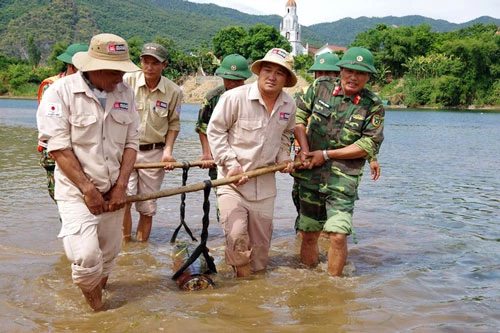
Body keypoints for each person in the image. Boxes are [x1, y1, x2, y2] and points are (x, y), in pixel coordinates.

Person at [36, 33, 140, 310]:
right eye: (114, 71)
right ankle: (96, 311)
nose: (120, 77)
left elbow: (131, 143)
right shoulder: (60, 92)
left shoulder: (125, 93)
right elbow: (57, 148)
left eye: (122, 70)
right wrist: (88, 190)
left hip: (113, 189)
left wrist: (120, 187)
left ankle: (99, 293)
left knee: (108, 254)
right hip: (76, 192)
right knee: (85, 255)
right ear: (93, 67)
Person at [293, 47, 385, 276]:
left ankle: (334, 287)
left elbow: (368, 144)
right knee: (309, 232)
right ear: (341, 70)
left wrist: (325, 154)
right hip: (309, 173)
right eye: (349, 70)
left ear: (368, 77)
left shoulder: (373, 104)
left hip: (343, 177)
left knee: (338, 234)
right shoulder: (319, 87)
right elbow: (297, 117)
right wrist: (304, 151)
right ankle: (308, 282)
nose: (353, 77)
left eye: (361, 73)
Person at [207, 48, 297, 278]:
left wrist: (284, 157)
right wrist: (231, 164)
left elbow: (286, 135)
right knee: (236, 235)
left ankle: (253, 287)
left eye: (280, 72)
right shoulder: (234, 98)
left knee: (260, 249)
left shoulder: (289, 105)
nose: (272, 76)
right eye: (267, 70)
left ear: (286, 79)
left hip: (265, 185)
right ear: (259, 72)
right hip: (232, 182)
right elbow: (215, 131)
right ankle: (242, 286)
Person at [122, 43, 182, 242]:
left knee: (147, 206)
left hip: (154, 153)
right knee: (123, 200)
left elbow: (173, 123)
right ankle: (126, 250)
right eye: (145, 62)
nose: (149, 67)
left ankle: (141, 246)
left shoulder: (173, 91)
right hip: (124, 150)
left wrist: (168, 152)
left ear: (164, 65)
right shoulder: (126, 82)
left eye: (154, 63)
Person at [37, 43, 89, 202]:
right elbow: (54, 127)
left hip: (83, 153)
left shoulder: (90, 87)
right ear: (71, 66)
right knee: (63, 200)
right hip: (56, 153)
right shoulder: (52, 87)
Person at [195, 53, 253, 179]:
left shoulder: (253, 98)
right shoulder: (212, 98)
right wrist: (206, 154)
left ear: (245, 79)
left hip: (247, 159)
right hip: (220, 157)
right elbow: (202, 127)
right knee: (222, 194)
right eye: (228, 79)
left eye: (237, 80)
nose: (232, 84)